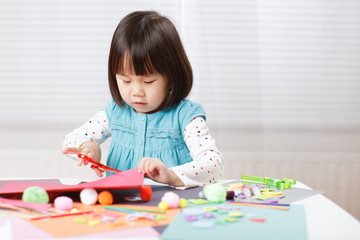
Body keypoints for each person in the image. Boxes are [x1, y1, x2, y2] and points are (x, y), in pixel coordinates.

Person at [62, 11, 224, 189]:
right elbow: (71, 140)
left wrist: (171, 175)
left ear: (171, 76)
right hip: (119, 207)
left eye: (148, 81)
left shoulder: (186, 117)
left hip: (170, 206)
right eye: (126, 81)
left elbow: (213, 164)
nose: (137, 91)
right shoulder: (115, 111)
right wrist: (88, 147)